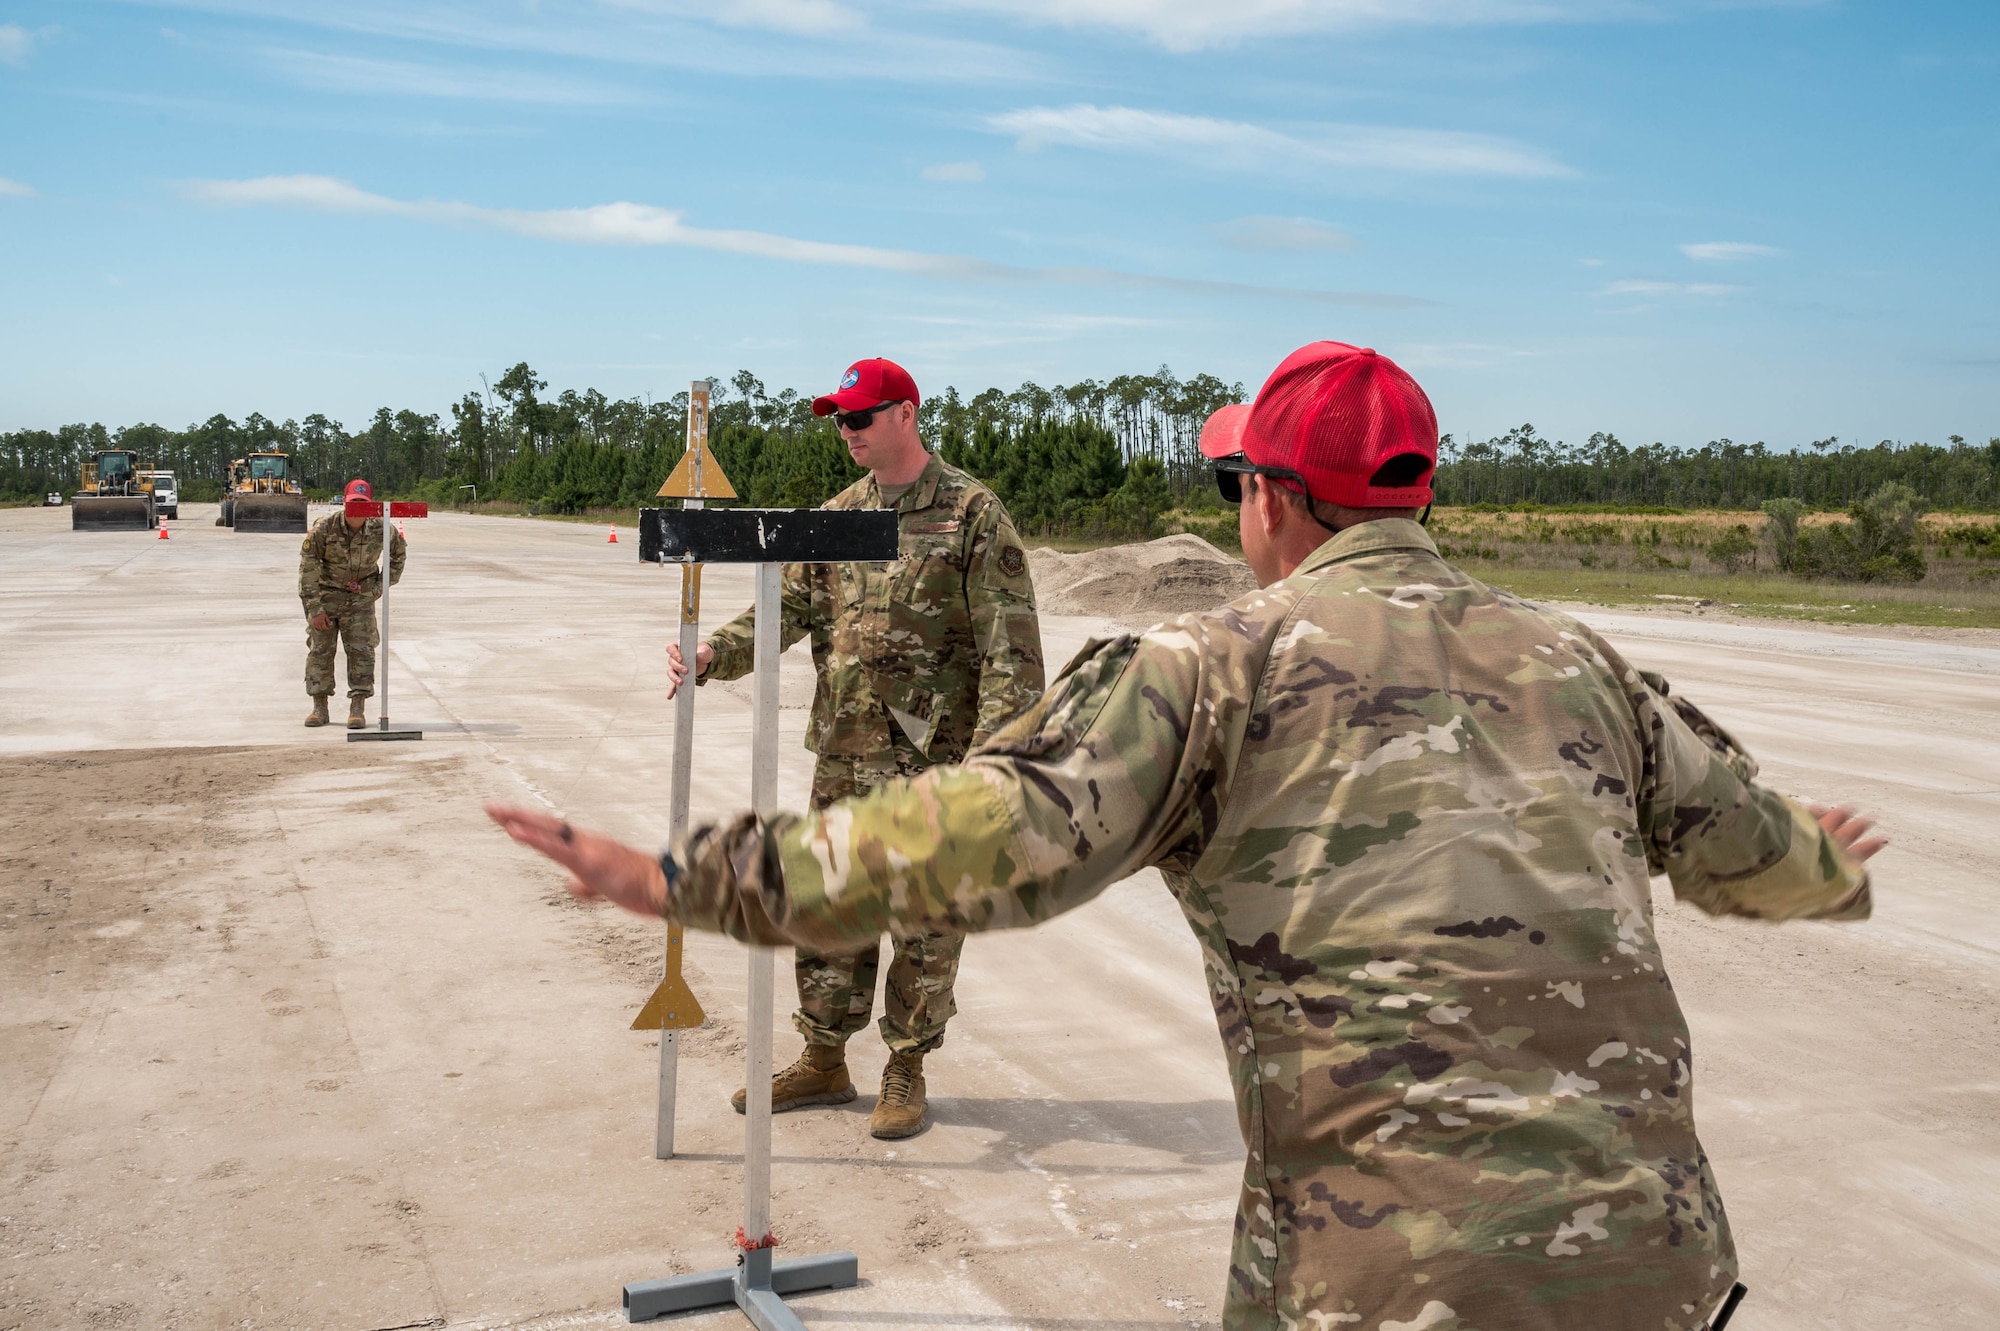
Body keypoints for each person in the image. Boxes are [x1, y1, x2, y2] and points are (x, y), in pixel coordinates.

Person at [493, 342, 1886, 1331]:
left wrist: (698, 876)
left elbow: (988, 833)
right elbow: (1757, 846)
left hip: (1385, 1277)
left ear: (1267, 500)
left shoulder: (1214, 665)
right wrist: (1823, 862)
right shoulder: (1583, 661)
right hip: (1657, 1264)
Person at [662, 356, 1044, 1139]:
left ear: (905, 413)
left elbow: (1013, 655)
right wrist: (713, 655)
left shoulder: (971, 513)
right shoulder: (838, 515)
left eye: (861, 417)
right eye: (840, 419)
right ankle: (824, 1056)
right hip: (846, 751)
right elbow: (787, 605)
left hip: (935, 763)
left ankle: (907, 1063)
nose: (847, 431)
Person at [299, 478, 406, 730]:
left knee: (362, 652)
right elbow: (307, 567)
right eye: (353, 502)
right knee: (320, 652)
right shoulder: (324, 528)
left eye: (362, 503)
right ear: (345, 502)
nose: (357, 508)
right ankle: (319, 706)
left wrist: (380, 586)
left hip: (361, 599)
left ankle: (357, 706)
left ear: (370, 505)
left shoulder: (382, 528)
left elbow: (398, 555)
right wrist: (314, 608)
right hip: (327, 596)